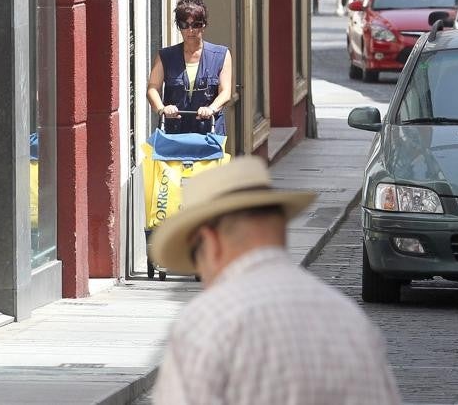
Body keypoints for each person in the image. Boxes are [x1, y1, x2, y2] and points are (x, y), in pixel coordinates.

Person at [150, 157, 401, 403]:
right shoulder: (351, 322)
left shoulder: (206, 323)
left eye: (195, 255)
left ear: (211, 242)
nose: (202, 275)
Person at [146, 0, 233, 135]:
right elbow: (152, 88)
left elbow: (225, 92)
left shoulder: (221, 55)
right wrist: (162, 109)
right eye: (184, 25)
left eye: (196, 24)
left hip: (209, 134)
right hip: (174, 134)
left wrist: (211, 109)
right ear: (179, 27)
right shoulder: (165, 56)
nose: (190, 30)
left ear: (204, 25)